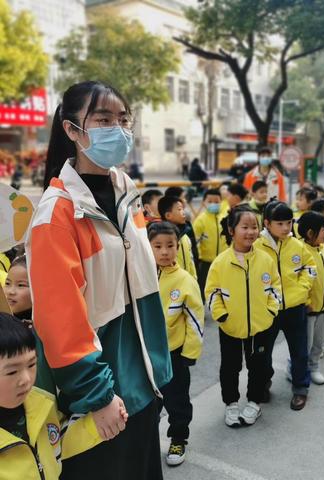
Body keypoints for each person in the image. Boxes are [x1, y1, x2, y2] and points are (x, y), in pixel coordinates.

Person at [26, 81, 172, 480]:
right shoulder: (58, 214)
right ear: (72, 130)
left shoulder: (127, 192)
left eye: (124, 119)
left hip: (144, 386)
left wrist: (160, 371)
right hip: (101, 401)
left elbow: (143, 287)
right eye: (103, 119)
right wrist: (98, 396)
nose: (119, 129)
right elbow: (61, 324)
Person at [0, 314, 120, 480]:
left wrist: (95, 426)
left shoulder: (40, 403)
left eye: (31, 364)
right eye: (12, 371)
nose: (26, 379)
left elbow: (56, 440)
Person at [205, 205, 281, 427]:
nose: (250, 232)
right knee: (230, 367)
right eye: (244, 227)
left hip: (260, 326)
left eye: (254, 227)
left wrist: (271, 309)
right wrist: (221, 315)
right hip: (230, 327)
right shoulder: (220, 262)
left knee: (259, 366)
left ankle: (254, 403)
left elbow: (275, 286)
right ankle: (231, 404)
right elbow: (211, 291)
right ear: (231, 230)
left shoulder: (266, 259)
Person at [148, 222, 204, 466]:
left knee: (177, 401)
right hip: (145, 354)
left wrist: (189, 353)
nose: (164, 252)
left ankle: (178, 438)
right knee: (147, 402)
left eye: (170, 245)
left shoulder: (185, 281)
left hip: (173, 355)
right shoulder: (140, 276)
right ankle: (147, 441)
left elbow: (195, 321)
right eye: (157, 246)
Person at [255, 201, 316, 411]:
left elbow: (310, 267)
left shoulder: (297, 245)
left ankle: (300, 389)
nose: (285, 227)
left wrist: (302, 289)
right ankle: (263, 383)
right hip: (267, 310)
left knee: (299, 351)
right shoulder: (256, 246)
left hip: (295, 308)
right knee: (263, 353)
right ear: (267, 223)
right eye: (279, 223)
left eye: (289, 222)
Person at [296, 212, 324, 385]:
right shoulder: (300, 251)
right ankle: (297, 369)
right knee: (303, 346)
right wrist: (305, 301)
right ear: (310, 233)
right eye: (323, 230)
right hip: (307, 310)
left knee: (318, 343)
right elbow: (296, 282)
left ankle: (314, 367)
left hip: (323, 308)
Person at [193, 188, 227, 299]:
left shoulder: (225, 218)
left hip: (224, 261)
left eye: (216, 202)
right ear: (204, 203)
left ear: (221, 202)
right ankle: (201, 309)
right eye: (210, 201)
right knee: (203, 288)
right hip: (206, 263)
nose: (213, 204)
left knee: (224, 288)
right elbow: (195, 243)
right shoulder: (200, 221)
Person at [158, 196, 197, 279]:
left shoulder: (185, 236)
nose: (183, 212)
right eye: (179, 209)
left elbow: (191, 261)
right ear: (168, 215)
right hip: (172, 284)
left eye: (183, 209)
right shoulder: (162, 238)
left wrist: (193, 278)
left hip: (187, 281)